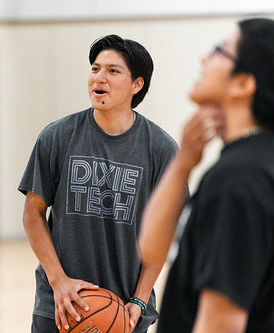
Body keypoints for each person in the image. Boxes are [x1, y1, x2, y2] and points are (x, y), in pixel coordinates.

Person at [18, 34, 178, 333]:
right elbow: (33, 214)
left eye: (112, 71)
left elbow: (164, 232)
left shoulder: (161, 149)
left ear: (136, 84)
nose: (98, 78)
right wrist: (59, 282)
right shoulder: (57, 137)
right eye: (94, 68)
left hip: (125, 310)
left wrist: (140, 300)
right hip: (58, 305)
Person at [138, 18, 274, 333]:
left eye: (218, 52)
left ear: (243, 84)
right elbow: (151, 249)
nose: (203, 59)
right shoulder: (249, 164)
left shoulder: (239, 178)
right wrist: (183, 163)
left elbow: (223, 323)